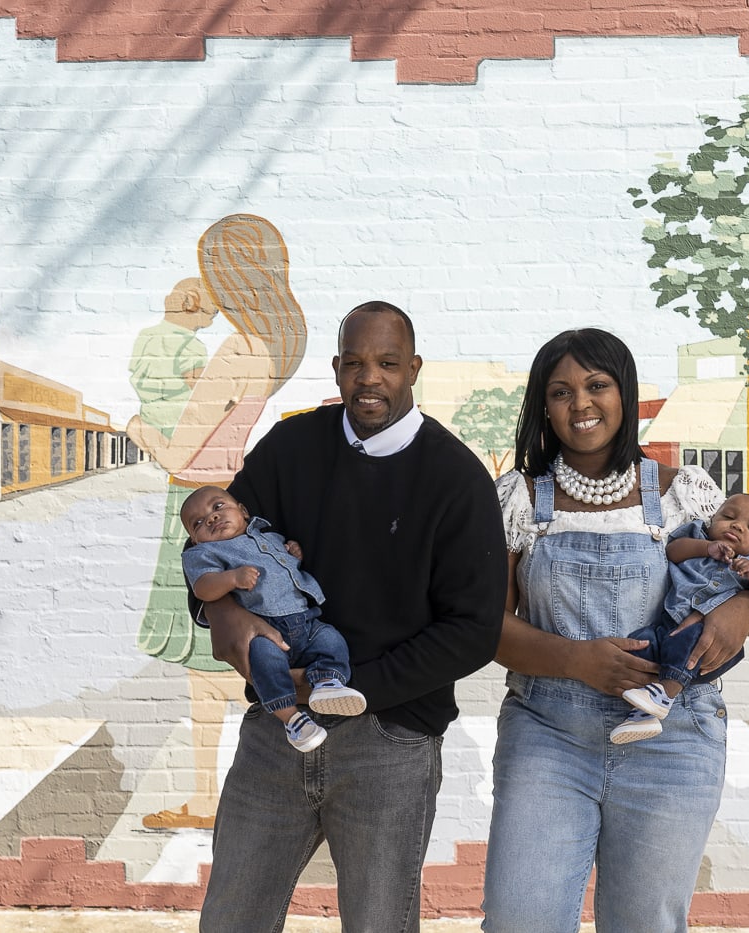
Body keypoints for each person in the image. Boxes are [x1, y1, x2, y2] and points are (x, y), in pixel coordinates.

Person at [197, 302, 507, 932]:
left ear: (413, 368)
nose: (371, 378)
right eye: (356, 363)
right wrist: (222, 613)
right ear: (337, 369)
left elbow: (474, 631)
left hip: (390, 742)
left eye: (388, 363)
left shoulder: (455, 477)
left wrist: (355, 687)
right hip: (277, 727)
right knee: (230, 920)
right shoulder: (291, 448)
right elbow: (209, 540)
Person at [484, 328, 749, 932]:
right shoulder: (519, 497)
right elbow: (485, 628)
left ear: (624, 393)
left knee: (644, 923)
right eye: (561, 391)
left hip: (673, 736)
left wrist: (741, 613)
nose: (581, 404)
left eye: (597, 385)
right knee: (522, 919)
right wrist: (575, 660)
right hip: (549, 731)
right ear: (542, 406)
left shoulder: (683, 493)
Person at [136, 214, 308, 831]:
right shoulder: (267, 349)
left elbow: (181, 453)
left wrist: (139, 429)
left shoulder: (235, 351)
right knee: (226, 654)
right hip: (228, 503)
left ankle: (211, 798)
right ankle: (223, 794)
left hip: (193, 503)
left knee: (208, 657)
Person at [180, 485, 367, 753]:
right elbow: (203, 588)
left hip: (305, 622)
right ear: (195, 539)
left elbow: (284, 563)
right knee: (265, 665)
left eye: (218, 507)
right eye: (198, 522)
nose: (211, 518)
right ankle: (292, 720)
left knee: (331, 640)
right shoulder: (203, 554)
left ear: (243, 512)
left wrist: (291, 551)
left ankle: (328, 683)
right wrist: (231, 578)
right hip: (264, 630)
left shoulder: (268, 536)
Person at [611, 491, 749, 744]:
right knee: (642, 641)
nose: (737, 526)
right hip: (668, 623)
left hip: (707, 635)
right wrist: (707, 548)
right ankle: (642, 717)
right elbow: (673, 550)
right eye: (729, 517)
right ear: (713, 519)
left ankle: (664, 696)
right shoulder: (697, 537)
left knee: (688, 645)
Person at [127, 277, 218, 441]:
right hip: (180, 426)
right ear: (190, 303)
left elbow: (136, 374)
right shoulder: (193, 346)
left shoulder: (145, 335)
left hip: (149, 417)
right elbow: (198, 391)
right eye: (214, 309)